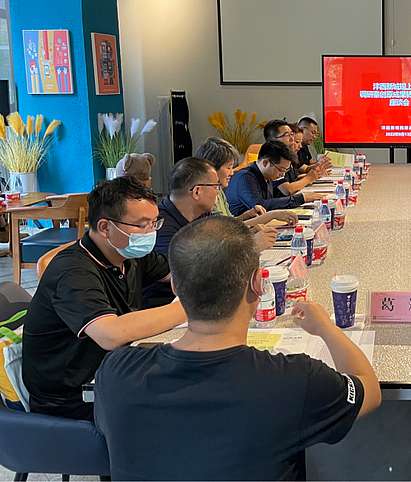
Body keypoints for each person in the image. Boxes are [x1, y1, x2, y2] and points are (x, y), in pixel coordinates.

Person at [94, 216, 382, 481]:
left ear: (176, 290)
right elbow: (368, 389)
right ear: (258, 283)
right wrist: (327, 328)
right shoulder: (294, 379)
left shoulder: (115, 371)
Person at [21, 177, 186, 420]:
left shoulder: (127, 254)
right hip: (71, 400)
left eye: (154, 223)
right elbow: (111, 334)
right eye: (143, 225)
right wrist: (192, 306)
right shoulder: (73, 271)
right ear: (105, 227)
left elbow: (179, 273)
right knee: (180, 406)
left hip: (114, 368)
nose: (151, 232)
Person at [195, 136, 298, 231]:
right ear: (211, 168)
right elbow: (225, 229)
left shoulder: (219, 190)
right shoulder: (205, 195)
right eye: (229, 167)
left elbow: (230, 221)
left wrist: (245, 216)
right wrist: (271, 215)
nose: (232, 172)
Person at [226, 141, 323, 216]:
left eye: (286, 170)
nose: (283, 174)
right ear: (265, 163)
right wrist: (301, 198)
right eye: (281, 170)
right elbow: (261, 206)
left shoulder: (267, 176)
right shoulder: (245, 177)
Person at [154, 157, 219, 258]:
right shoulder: (161, 227)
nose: (217, 192)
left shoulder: (202, 214)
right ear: (197, 192)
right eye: (215, 187)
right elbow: (185, 263)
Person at [263, 119, 323, 196]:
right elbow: (288, 190)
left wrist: (314, 175)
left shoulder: (287, 158)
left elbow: (293, 180)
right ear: (273, 140)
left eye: (291, 134)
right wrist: (308, 178)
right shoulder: (273, 161)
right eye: (287, 135)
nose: (292, 139)